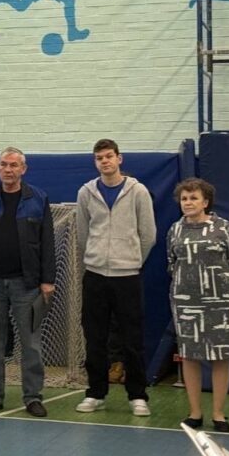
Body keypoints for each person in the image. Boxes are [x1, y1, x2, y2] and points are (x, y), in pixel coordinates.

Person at [74, 139, 156, 416]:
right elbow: (83, 233)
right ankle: (95, 393)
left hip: (127, 276)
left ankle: (137, 395)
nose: (105, 161)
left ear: (119, 159)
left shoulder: (138, 191)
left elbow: (148, 234)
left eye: (109, 156)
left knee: (132, 338)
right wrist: (96, 257)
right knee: (94, 337)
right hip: (95, 275)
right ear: (95, 162)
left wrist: (131, 260)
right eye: (100, 158)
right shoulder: (86, 192)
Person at [0, 147, 55, 417]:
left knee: (31, 343)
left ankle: (32, 397)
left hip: (27, 285)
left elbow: (47, 242)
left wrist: (47, 280)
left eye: (14, 165)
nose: (8, 169)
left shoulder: (38, 199)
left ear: (23, 169)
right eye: (4, 165)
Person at [167, 178, 229, 433]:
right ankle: (195, 413)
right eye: (184, 198)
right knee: (189, 355)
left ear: (205, 202)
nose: (188, 202)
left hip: (220, 303)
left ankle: (218, 414)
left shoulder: (224, 228)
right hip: (185, 303)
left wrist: (225, 295)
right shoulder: (175, 230)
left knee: (220, 356)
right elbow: (172, 264)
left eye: (194, 198)